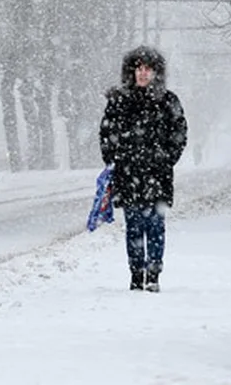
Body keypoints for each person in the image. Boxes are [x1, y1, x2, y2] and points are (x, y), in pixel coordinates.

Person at [99, 45, 188, 292]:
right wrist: (114, 159)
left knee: (155, 226)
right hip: (128, 175)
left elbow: (179, 133)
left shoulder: (168, 101)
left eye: (148, 68)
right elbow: (107, 133)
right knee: (134, 226)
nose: (143, 73)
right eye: (138, 68)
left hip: (158, 176)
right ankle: (136, 273)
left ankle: (154, 274)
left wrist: (167, 158)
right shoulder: (119, 101)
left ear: (156, 72)